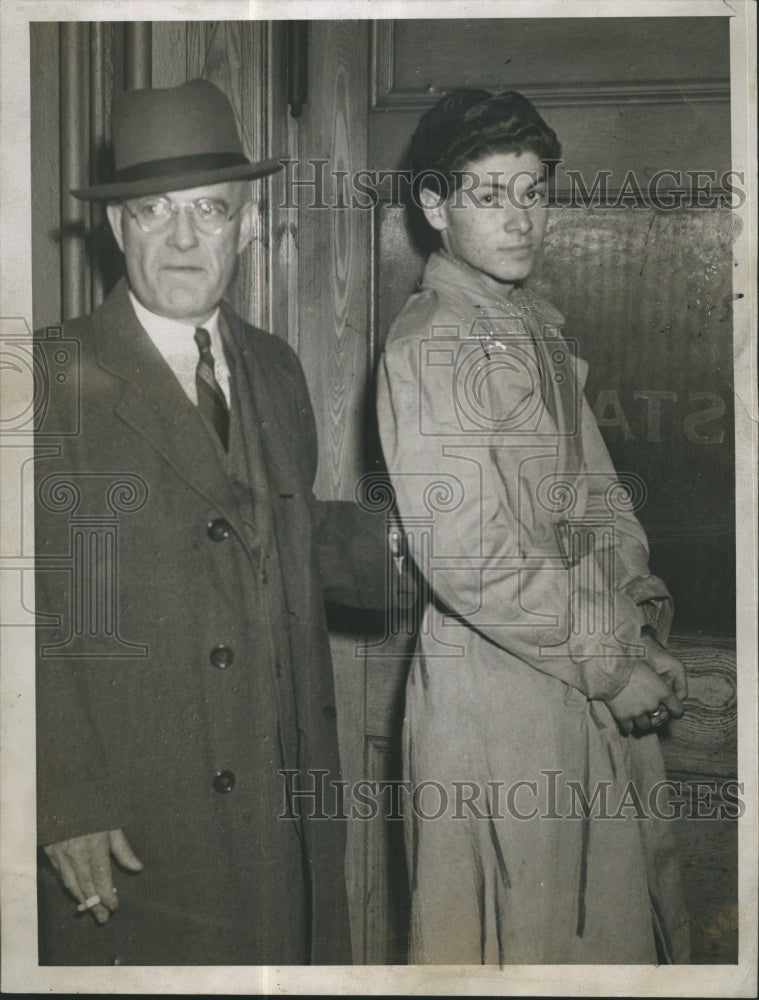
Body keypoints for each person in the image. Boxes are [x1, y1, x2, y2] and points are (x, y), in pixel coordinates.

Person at [35, 78, 393, 965]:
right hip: (139, 820)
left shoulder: (275, 369)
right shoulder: (46, 377)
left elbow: (275, 534)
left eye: (211, 211)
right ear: (119, 229)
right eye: (157, 212)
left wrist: (410, 547)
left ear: (247, 226)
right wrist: (61, 801)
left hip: (284, 801)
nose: (186, 238)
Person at [376, 89, 691, 964]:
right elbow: (470, 557)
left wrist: (635, 620)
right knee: (518, 943)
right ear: (435, 208)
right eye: (489, 195)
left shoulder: (533, 329)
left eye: (533, 191)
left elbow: (597, 496)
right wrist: (608, 660)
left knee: (604, 935)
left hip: (576, 668)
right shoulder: (431, 344)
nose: (519, 218)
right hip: (495, 695)